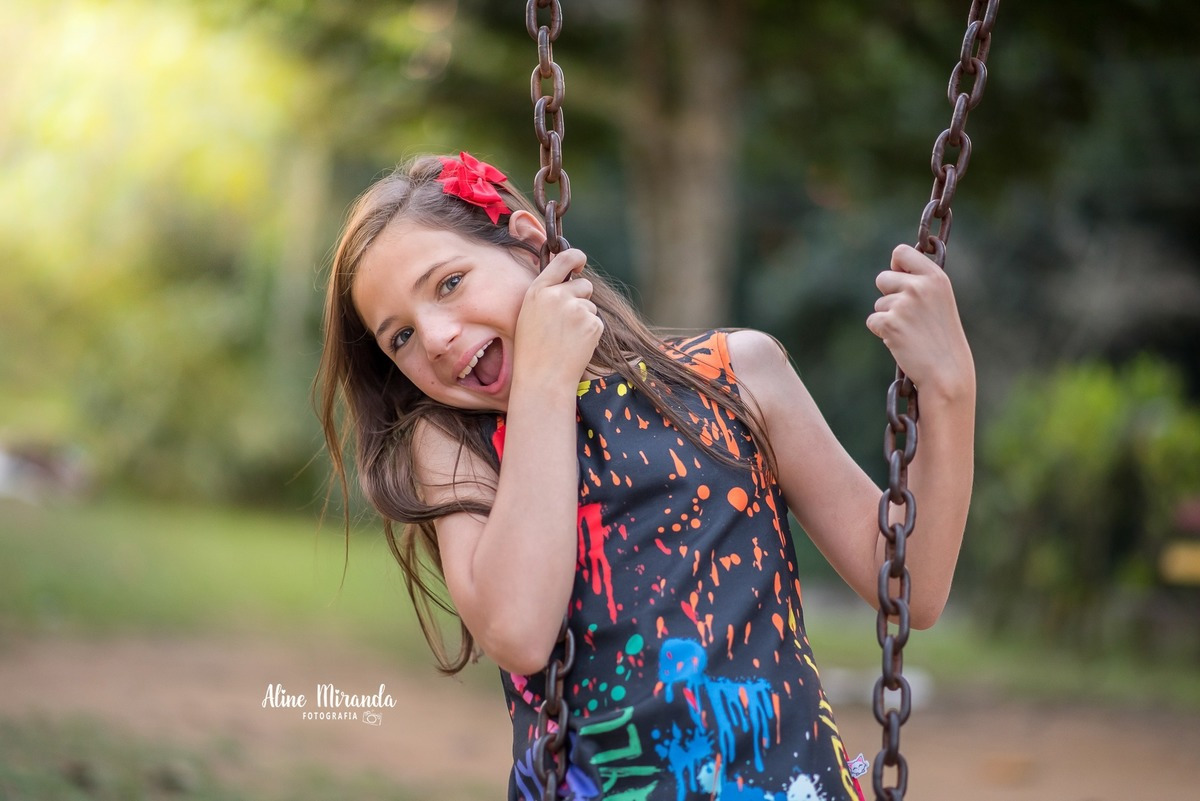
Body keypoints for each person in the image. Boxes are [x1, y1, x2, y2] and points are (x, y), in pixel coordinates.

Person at [316, 152, 975, 801]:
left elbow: (908, 585)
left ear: (529, 244)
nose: (433, 336)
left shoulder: (735, 376)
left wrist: (949, 388)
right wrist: (545, 382)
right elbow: (518, 631)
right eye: (399, 337)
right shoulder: (455, 447)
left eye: (449, 283)